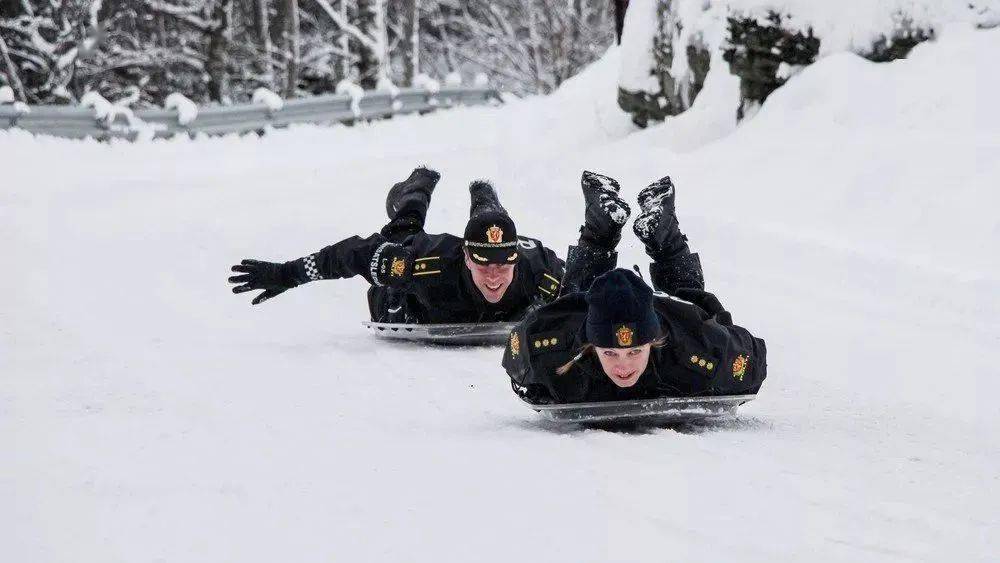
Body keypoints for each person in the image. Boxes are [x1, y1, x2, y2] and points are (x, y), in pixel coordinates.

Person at [502, 173, 767, 403]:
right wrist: (539, 390)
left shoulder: (696, 348)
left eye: (635, 351)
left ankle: (664, 235)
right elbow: (518, 355)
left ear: (652, 341)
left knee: (693, 303)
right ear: (592, 346)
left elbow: (752, 361)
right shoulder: (551, 349)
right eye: (609, 352)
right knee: (574, 298)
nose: (623, 366)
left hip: (673, 316)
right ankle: (600, 225)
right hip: (584, 315)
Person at [228, 167, 566, 324]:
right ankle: (416, 190)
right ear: (466, 257)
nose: (494, 277)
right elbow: (351, 254)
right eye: (483, 266)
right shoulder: (427, 262)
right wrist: (288, 274)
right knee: (400, 234)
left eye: (503, 266)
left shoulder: (539, 267)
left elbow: (585, 286)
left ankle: (485, 196)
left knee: (491, 219)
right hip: (410, 299)